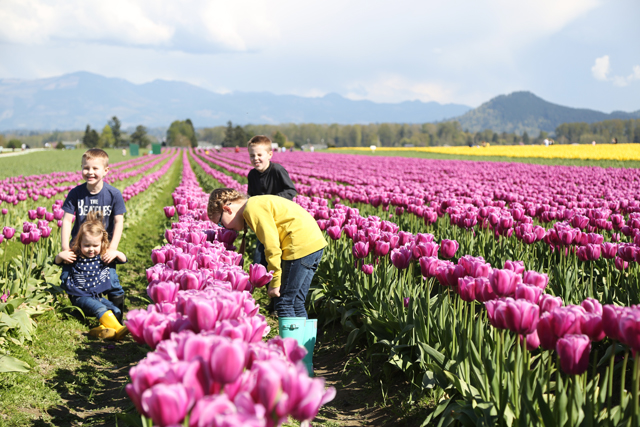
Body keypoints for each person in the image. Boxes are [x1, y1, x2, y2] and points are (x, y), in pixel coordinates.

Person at [207, 188, 326, 319]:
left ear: (227, 209)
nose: (224, 228)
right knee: (296, 302)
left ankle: (291, 340)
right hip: (314, 244)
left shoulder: (252, 209)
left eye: (221, 223)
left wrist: (274, 283)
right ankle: (304, 340)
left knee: (284, 303)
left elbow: (272, 246)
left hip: (299, 246)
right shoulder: (256, 203)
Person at [58, 148, 127, 320]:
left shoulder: (113, 194)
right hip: (79, 247)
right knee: (72, 279)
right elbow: (66, 221)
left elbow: (119, 221)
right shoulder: (76, 193)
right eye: (86, 168)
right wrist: (65, 248)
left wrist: (113, 249)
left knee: (112, 282)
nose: (90, 172)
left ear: (106, 170)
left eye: (95, 168)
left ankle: (117, 319)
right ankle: (81, 307)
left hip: (102, 249)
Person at [55, 212, 129, 340]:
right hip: (80, 298)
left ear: (102, 243)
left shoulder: (103, 256)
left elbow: (123, 259)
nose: (91, 249)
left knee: (115, 310)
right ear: (80, 243)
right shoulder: (75, 256)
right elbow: (58, 261)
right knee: (100, 308)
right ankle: (120, 329)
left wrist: (116, 252)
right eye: (86, 245)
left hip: (96, 297)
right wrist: (61, 255)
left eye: (95, 245)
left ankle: (100, 331)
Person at [246, 135, 297, 314]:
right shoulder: (252, 175)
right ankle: (271, 298)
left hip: (280, 225)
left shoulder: (277, 171)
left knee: (279, 262)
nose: (256, 159)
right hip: (264, 225)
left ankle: (278, 303)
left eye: (259, 155)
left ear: (270, 154)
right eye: (252, 156)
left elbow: (291, 190)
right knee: (260, 260)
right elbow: (251, 197)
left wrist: (271, 201)